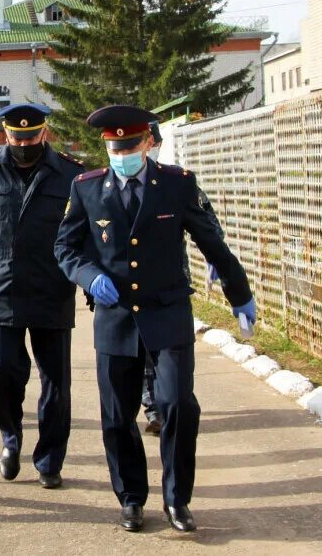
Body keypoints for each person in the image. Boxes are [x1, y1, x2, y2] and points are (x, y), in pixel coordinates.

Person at [55, 105, 257, 533]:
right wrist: (90, 278)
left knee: (178, 404)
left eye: (129, 145)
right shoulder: (87, 188)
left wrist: (239, 292)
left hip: (167, 312)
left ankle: (176, 499)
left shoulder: (176, 185)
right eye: (114, 146)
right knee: (117, 414)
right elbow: (65, 249)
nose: (121, 153)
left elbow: (211, 241)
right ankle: (130, 498)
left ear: (147, 143)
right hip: (115, 319)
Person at [0, 103, 85, 489]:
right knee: (0, 371)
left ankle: (50, 458)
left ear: (45, 133)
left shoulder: (71, 176)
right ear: (5, 134)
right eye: (16, 136)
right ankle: (10, 438)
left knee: (56, 383)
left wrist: (91, 283)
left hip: (51, 291)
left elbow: (84, 235)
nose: (24, 143)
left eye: (31, 136)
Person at [141, 121, 224, 436]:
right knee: (146, 355)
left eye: (152, 142)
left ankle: (168, 404)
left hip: (171, 283)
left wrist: (216, 255)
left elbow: (207, 220)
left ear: (157, 145)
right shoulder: (110, 184)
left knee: (171, 353)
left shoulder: (177, 182)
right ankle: (155, 410)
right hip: (132, 289)